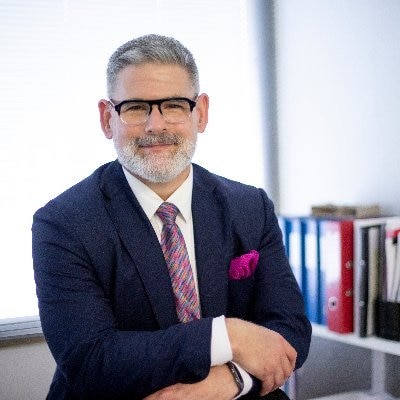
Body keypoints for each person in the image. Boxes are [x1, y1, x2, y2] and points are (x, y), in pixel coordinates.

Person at [32, 34, 311, 400]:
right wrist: (226, 335)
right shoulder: (63, 223)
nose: (155, 125)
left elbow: (290, 329)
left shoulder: (250, 206)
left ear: (201, 113)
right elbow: (91, 361)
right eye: (135, 108)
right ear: (106, 118)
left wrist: (227, 382)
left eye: (174, 105)